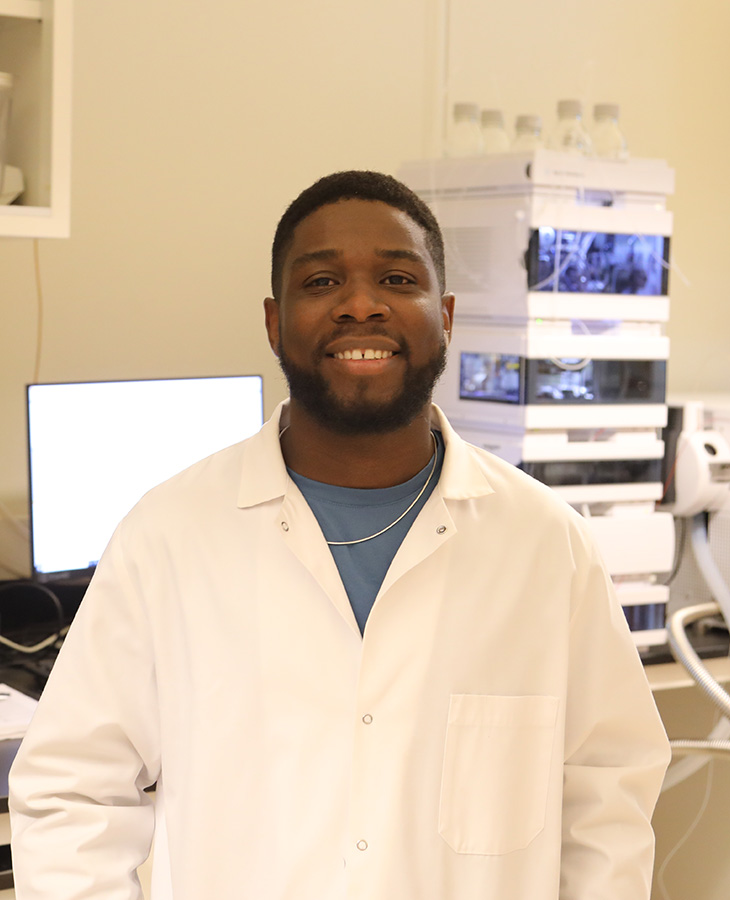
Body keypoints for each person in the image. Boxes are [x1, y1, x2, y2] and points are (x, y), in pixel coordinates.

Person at [9, 170, 670, 900]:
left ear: (446, 315)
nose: (361, 305)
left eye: (396, 277)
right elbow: (72, 794)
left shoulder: (548, 547)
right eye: (322, 282)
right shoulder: (167, 537)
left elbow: (606, 804)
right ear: (274, 320)